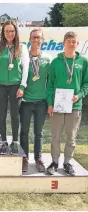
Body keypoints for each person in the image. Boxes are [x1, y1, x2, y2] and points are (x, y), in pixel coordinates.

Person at [46, 31, 88, 176]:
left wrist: (80, 95)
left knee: (71, 136)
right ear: (63, 43)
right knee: (56, 135)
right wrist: (50, 103)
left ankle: (67, 162)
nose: (71, 43)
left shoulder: (83, 62)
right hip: (58, 105)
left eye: (73, 41)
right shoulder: (55, 62)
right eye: (68, 40)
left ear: (77, 44)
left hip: (75, 105)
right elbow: (50, 85)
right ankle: (54, 162)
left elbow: (86, 84)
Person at [0, 20, 29, 155]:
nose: (9, 34)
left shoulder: (22, 48)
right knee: (1, 116)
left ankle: (15, 142)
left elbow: (25, 69)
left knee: (14, 115)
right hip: (0, 86)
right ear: (3, 33)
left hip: (16, 86)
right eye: (6, 31)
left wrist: (22, 86)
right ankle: (4, 142)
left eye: (12, 31)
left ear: (16, 32)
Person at [20, 28, 52, 172]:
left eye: (39, 37)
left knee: (38, 132)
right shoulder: (23, 57)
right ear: (29, 39)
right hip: (25, 101)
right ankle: (24, 158)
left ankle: (38, 159)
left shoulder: (48, 59)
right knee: (24, 131)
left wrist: (50, 102)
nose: (36, 40)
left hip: (41, 102)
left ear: (43, 40)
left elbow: (50, 83)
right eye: (33, 37)